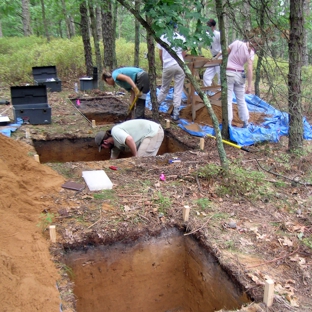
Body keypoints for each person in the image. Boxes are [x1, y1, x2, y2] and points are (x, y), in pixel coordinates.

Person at [215, 37, 262, 128]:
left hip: (229, 73)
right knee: (241, 100)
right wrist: (249, 85)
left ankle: (228, 123)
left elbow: (224, 52)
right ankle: (245, 122)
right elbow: (249, 69)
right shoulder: (251, 53)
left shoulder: (236, 43)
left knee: (228, 100)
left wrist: (216, 57)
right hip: (240, 75)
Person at [157, 24, 187, 121]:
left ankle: (156, 106)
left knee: (164, 88)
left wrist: (163, 64)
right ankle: (176, 113)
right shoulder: (181, 38)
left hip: (168, 65)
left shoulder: (163, 37)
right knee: (178, 89)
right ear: (176, 28)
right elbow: (184, 53)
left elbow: (160, 54)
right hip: (180, 65)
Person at [95, 119, 164, 159]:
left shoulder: (115, 131)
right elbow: (113, 159)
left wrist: (135, 155)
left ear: (105, 141)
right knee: (139, 161)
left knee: (140, 160)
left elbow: (129, 139)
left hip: (153, 132)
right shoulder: (115, 146)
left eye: (103, 147)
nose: (105, 148)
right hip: (148, 134)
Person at [203, 19, 221, 89]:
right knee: (206, 76)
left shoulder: (218, 34)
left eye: (209, 26)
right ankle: (209, 91)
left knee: (220, 76)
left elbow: (223, 48)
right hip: (213, 57)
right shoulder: (207, 35)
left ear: (213, 27)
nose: (207, 28)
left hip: (220, 57)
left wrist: (217, 57)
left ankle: (220, 93)